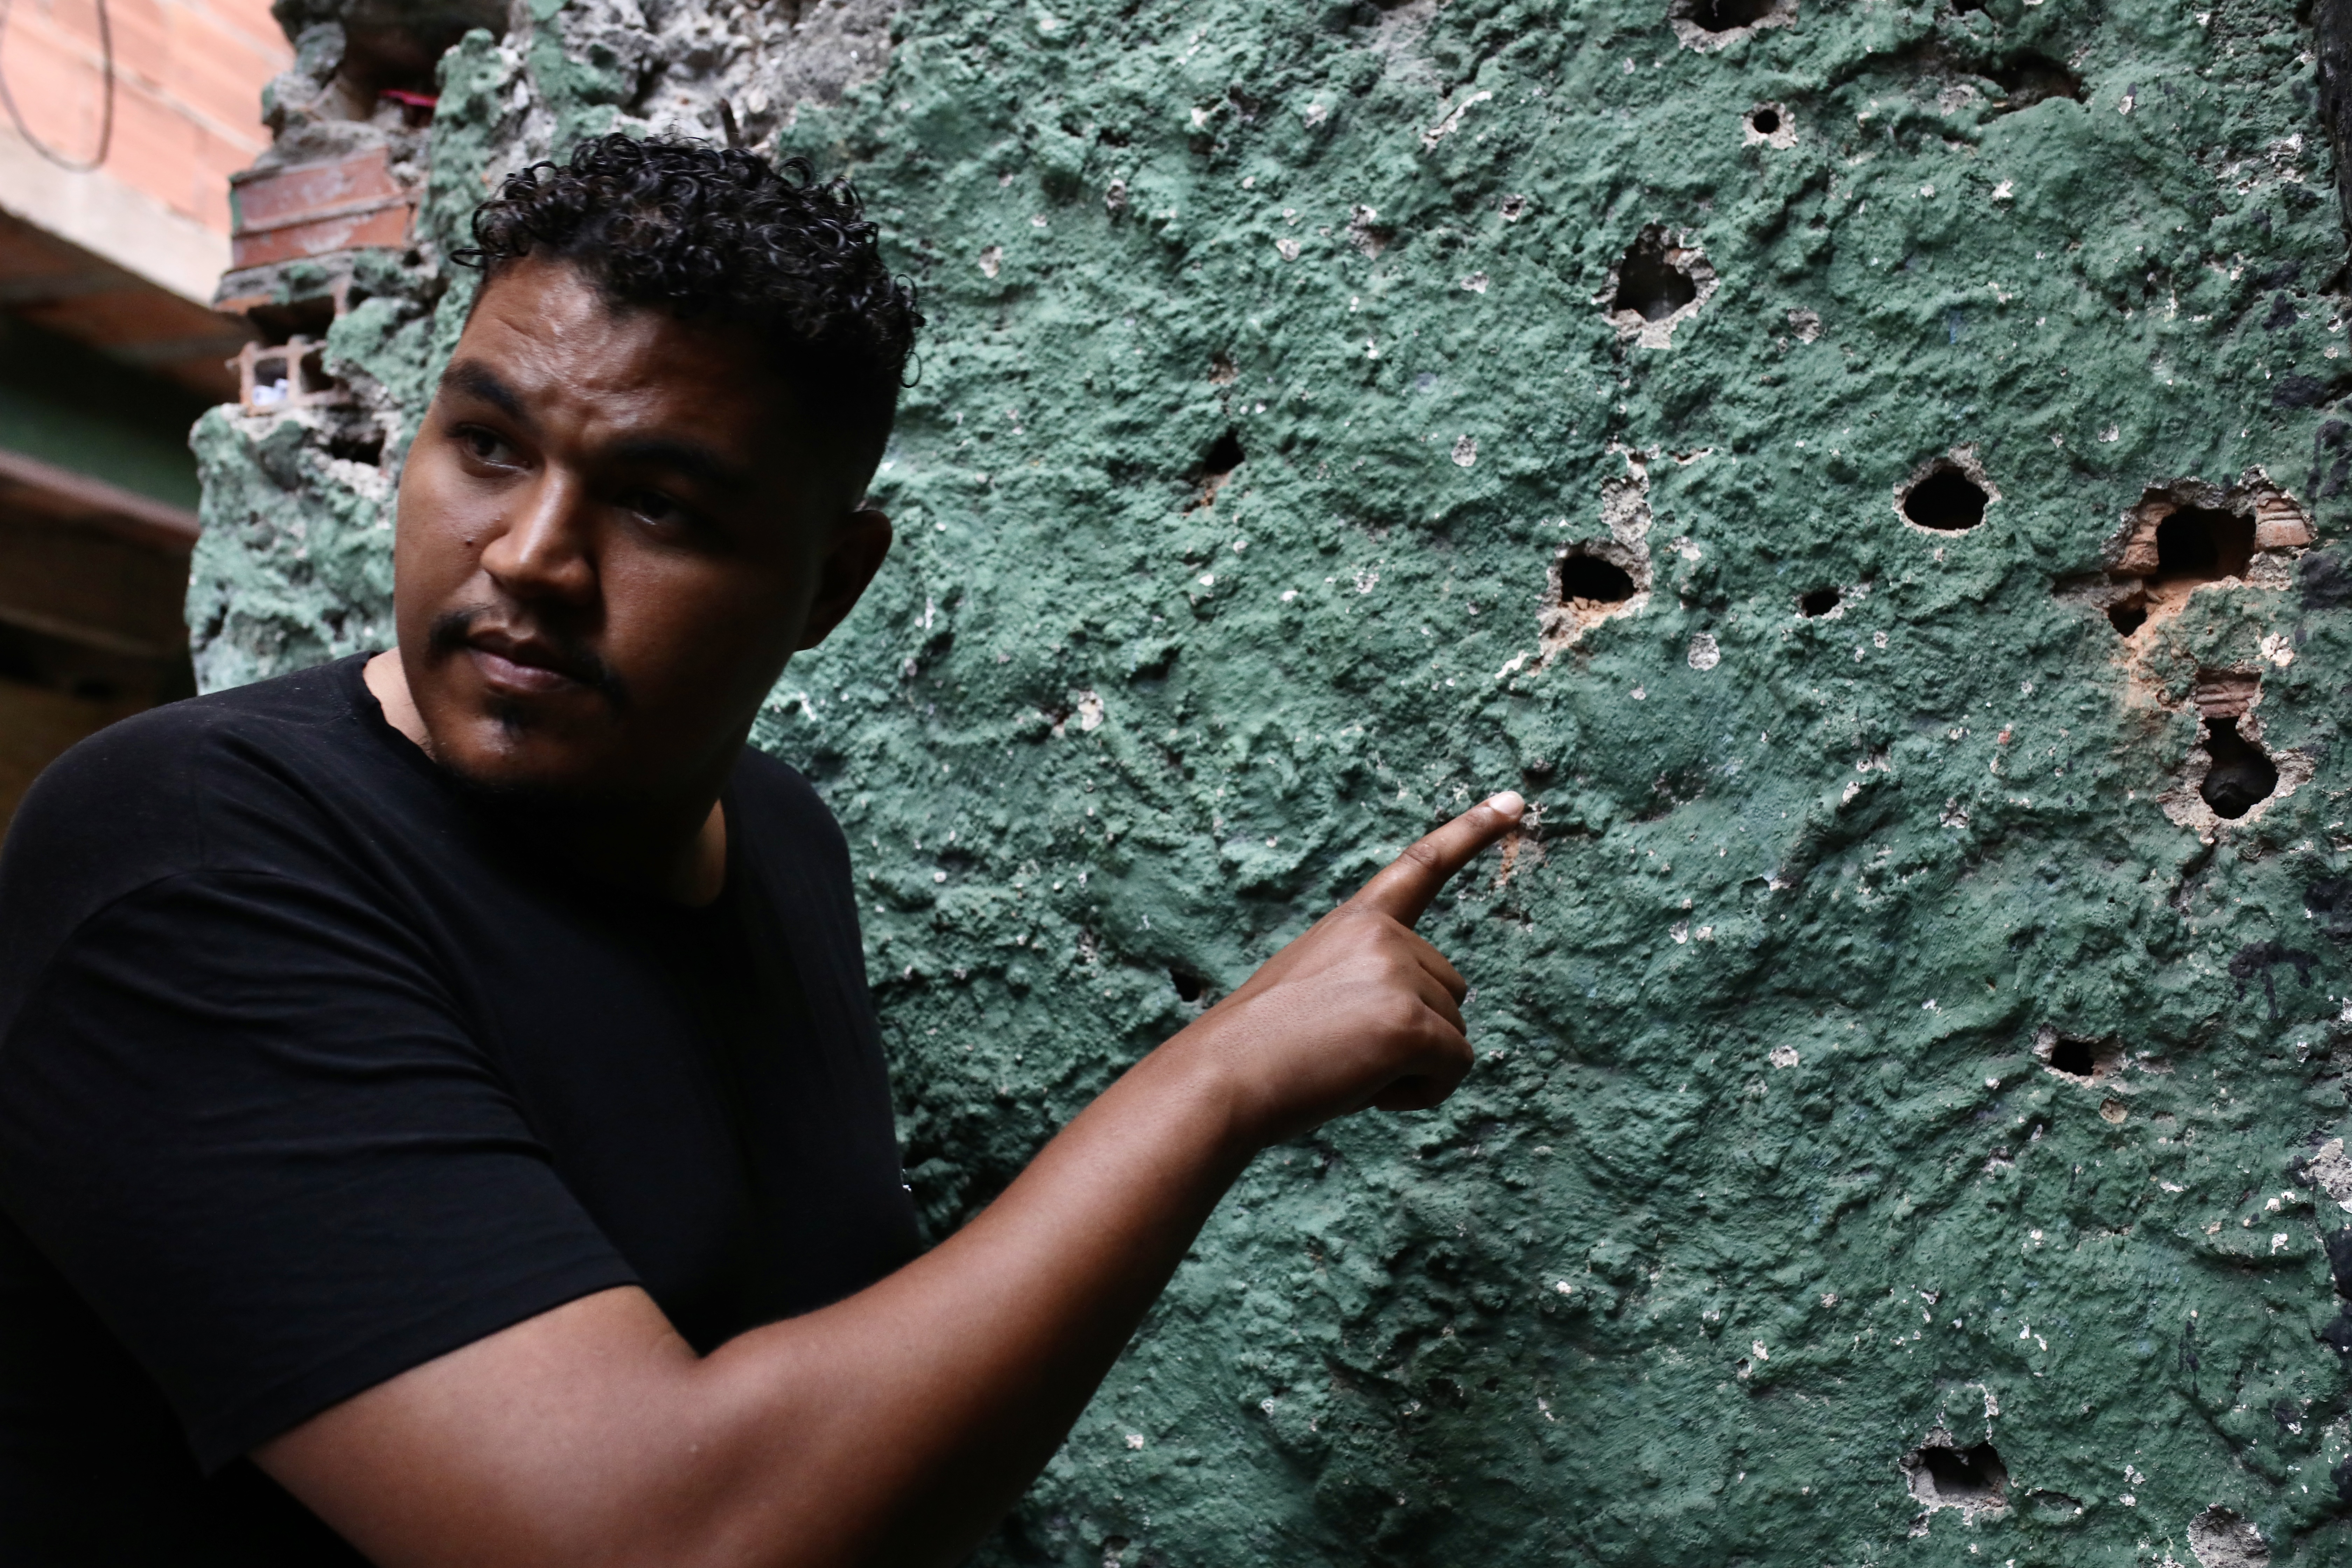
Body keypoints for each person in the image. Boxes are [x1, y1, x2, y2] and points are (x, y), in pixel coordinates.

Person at [0, 133, 1524, 1566]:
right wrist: (1222, 1080)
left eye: (658, 504)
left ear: (829, 584)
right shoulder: (188, 854)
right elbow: (654, 1537)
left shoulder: (775, 844)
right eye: (485, 445)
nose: (530, 554)